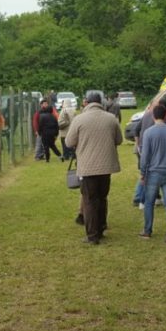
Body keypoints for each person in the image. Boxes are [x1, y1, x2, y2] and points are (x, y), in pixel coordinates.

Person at [66, 92, 122, 245]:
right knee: (102, 198)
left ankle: (92, 235)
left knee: (90, 200)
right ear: (101, 102)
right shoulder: (111, 118)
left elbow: (69, 142)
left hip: (87, 167)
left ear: (86, 102)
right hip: (106, 166)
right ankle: (101, 227)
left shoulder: (79, 119)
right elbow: (119, 139)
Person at [139, 103, 166, 244]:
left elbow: (145, 156)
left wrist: (143, 173)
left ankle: (147, 231)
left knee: (149, 202)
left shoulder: (148, 133)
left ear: (153, 116)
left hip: (153, 173)